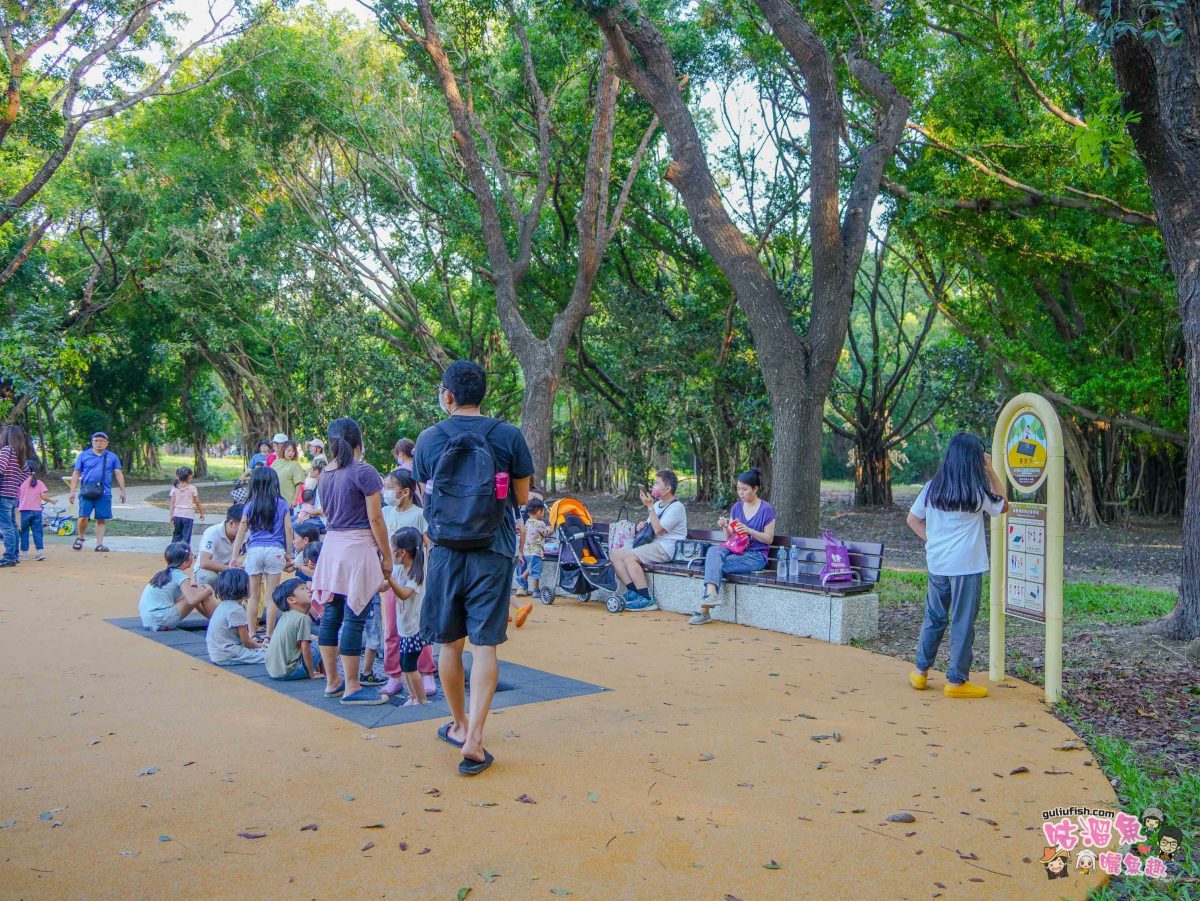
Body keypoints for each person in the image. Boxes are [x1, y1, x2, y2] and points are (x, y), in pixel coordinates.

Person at [414, 360, 533, 775]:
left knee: (450, 644)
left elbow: (424, 496)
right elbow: (520, 496)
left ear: (448, 395)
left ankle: (459, 724)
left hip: (446, 551)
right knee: (486, 644)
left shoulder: (428, 439)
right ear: (481, 394)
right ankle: (476, 738)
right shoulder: (508, 435)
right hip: (492, 548)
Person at [907, 432, 1007, 699]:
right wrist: (992, 472)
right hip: (966, 566)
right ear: (973, 460)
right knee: (962, 620)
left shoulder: (931, 488)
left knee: (935, 617)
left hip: (937, 563)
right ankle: (957, 681)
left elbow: (913, 520)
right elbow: (1003, 505)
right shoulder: (975, 492)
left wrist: (935, 539)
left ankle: (920, 672)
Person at [311, 417, 392, 706]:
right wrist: (387, 556)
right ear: (359, 441)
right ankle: (353, 686)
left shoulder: (325, 474)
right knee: (355, 617)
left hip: (332, 547)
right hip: (357, 548)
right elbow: (375, 518)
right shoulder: (364, 471)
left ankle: (333, 681)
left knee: (332, 614)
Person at [691, 468, 776, 625]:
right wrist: (725, 526)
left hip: (755, 555)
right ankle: (711, 595)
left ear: (755, 488)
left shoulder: (766, 509)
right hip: (736, 549)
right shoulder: (737, 507)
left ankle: (704, 611)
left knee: (715, 565)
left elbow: (769, 539)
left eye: (745, 489)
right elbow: (729, 538)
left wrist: (750, 530)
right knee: (713, 551)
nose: (741, 493)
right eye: (738, 489)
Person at [229, 467, 294, 640]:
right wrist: (289, 553)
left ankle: (251, 633)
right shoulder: (282, 503)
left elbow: (242, 531)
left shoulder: (250, 505)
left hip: (255, 550)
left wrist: (234, 556)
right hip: (275, 551)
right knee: (272, 596)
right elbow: (288, 529)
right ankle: (269, 634)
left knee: (253, 595)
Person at [610, 469, 687, 612]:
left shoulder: (677, 507)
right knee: (615, 555)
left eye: (657, 484)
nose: (653, 487)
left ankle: (646, 599)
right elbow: (651, 526)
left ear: (668, 488)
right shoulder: (657, 505)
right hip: (652, 545)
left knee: (629, 557)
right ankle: (634, 592)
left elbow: (658, 530)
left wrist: (650, 507)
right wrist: (642, 525)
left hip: (666, 548)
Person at [382, 527, 429, 704]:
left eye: (391, 548)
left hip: (413, 629)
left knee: (410, 666)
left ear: (401, 552)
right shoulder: (399, 569)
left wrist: (389, 578)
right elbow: (384, 586)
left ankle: (422, 700)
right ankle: (413, 697)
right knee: (405, 665)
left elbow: (403, 593)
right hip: (404, 629)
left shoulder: (417, 574)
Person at [138, 542, 220, 631]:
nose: (193, 557)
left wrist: (192, 589)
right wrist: (208, 590)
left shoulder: (162, 573)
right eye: (192, 555)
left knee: (197, 591)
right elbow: (192, 600)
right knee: (202, 591)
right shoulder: (181, 576)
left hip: (149, 621)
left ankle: (215, 620)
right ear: (184, 563)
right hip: (162, 621)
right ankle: (220, 621)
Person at [68, 431, 126, 553]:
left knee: (101, 518)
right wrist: (72, 491)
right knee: (83, 516)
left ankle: (99, 544)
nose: (99, 443)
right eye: (96, 440)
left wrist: (122, 490)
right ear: (92, 442)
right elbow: (76, 473)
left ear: (107, 443)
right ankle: (81, 537)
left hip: (104, 493)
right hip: (86, 491)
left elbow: (118, 473)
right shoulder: (83, 455)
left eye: (102, 441)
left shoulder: (112, 457)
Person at [206, 569, 266, 666]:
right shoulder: (236, 610)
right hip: (229, 653)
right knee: (271, 656)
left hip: (217, 652)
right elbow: (247, 642)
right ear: (242, 587)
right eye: (249, 584)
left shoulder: (224, 605)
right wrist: (262, 646)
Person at [266, 578, 321, 681]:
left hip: (274, 671)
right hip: (289, 671)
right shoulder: (303, 618)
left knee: (315, 639)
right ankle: (321, 674)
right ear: (291, 600)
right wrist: (311, 674)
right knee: (326, 642)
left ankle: (319, 672)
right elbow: (305, 648)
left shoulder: (286, 615)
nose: (308, 590)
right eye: (302, 589)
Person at [512, 497, 548, 626]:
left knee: (531, 567)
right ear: (539, 512)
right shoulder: (541, 524)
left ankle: (523, 579)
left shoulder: (527, 522)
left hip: (527, 551)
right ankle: (536, 590)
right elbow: (545, 533)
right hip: (536, 552)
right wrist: (552, 528)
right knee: (535, 571)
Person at [0, 425, 31, 568]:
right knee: (12, 525)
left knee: (6, 526)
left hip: (3, 494)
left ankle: (9, 557)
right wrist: (14, 483)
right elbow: (26, 475)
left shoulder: (6, 451)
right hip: (12, 495)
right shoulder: (20, 456)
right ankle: (14, 555)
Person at [196, 504, 244, 591]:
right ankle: (204, 601)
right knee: (209, 577)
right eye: (243, 525)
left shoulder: (246, 534)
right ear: (231, 523)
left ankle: (236, 603)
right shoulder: (212, 532)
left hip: (228, 570)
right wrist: (231, 569)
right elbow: (204, 563)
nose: (246, 529)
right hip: (208, 570)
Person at [18, 470, 53, 562]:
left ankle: (24, 554)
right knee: (37, 532)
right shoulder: (39, 482)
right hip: (37, 511)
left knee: (24, 532)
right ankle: (40, 552)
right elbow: (43, 496)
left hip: (24, 511)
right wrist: (51, 501)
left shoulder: (21, 482)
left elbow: (17, 496)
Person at [168, 466, 205, 546]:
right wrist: (201, 513)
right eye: (191, 476)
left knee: (176, 535)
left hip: (177, 515)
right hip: (188, 516)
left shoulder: (174, 489)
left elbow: (172, 504)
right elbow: (197, 502)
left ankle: (173, 552)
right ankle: (185, 553)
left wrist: (171, 516)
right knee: (186, 537)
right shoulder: (192, 489)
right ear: (188, 477)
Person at [272, 440, 307, 510]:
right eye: (288, 450)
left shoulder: (295, 465)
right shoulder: (275, 463)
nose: (291, 453)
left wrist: (294, 500)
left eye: (293, 451)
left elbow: (298, 485)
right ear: (283, 450)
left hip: (288, 501)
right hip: (274, 500)